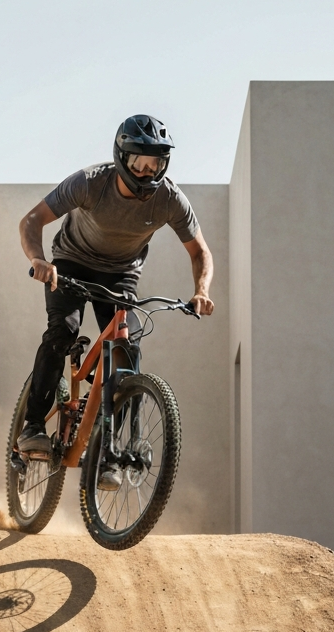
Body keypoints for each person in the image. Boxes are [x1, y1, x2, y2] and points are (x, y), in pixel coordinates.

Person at [17, 114, 215, 489]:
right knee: (63, 330)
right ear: (122, 158)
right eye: (139, 163)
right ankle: (31, 426)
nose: (146, 173)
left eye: (155, 164)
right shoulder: (90, 183)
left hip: (121, 273)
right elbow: (31, 220)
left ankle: (108, 453)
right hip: (71, 263)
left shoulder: (170, 198)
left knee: (127, 351)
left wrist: (201, 290)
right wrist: (38, 260)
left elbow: (199, 251)